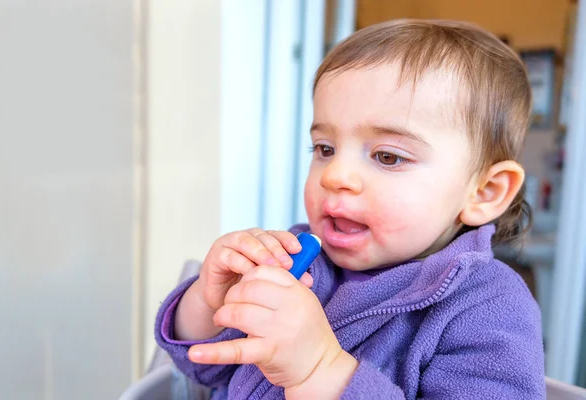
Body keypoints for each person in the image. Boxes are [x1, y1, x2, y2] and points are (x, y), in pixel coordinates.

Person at [155, 19, 545, 399]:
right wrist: (210, 302)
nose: (336, 174)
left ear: (484, 192)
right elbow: (204, 368)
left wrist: (320, 371)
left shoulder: (489, 307)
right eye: (325, 149)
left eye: (388, 156)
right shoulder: (294, 257)